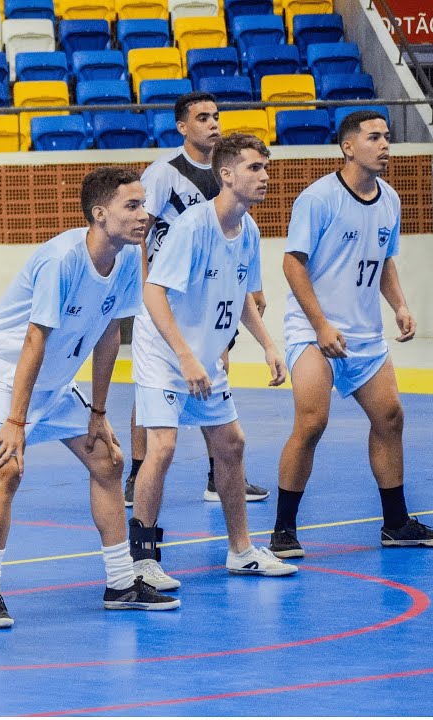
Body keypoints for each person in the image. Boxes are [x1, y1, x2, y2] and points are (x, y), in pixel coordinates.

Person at [0, 167, 180, 629]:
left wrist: (99, 413)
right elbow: (34, 340)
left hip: (54, 379)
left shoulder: (128, 256)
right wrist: (16, 422)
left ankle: (120, 583)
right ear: (100, 214)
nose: (143, 215)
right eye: (132, 206)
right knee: (8, 470)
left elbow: (109, 335)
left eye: (143, 205)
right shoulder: (61, 260)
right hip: (0, 373)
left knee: (107, 461)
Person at [270, 110, 433, 558]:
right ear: (348, 147)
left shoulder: (390, 199)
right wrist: (321, 325)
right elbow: (292, 263)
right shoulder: (319, 198)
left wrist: (401, 305)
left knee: (390, 418)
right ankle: (283, 530)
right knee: (312, 423)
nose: (385, 144)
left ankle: (396, 523)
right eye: (374, 137)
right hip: (313, 330)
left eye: (387, 137)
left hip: (365, 335)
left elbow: (384, 259)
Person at [128, 133, 298, 591]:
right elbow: (153, 292)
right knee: (162, 448)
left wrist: (268, 345)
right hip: (164, 353)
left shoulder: (249, 230)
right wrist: (184, 357)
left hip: (202, 355)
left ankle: (241, 552)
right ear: (226, 175)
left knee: (231, 444)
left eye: (265, 168)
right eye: (254, 168)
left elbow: (241, 294)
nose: (264, 176)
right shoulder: (193, 226)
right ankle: (142, 561)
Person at [127, 92, 269, 507]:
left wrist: (251, 291)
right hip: (169, 295)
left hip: (212, 296)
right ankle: (137, 471)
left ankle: (217, 474)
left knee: (214, 373)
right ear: (182, 127)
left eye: (216, 115)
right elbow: (140, 232)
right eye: (202, 117)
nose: (213, 123)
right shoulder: (164, 173)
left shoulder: (231, 178)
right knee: (153, 391)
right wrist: (145, 286)